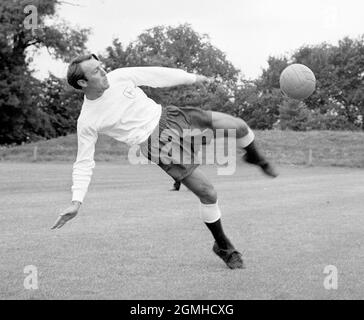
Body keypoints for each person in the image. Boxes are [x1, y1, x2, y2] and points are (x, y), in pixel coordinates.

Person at [51, 53, 278, 270]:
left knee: (237, 125)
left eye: (101, 66)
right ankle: (224, 247)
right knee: (208, 193)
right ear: (82, 83)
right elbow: (83, 162)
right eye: (96, 72)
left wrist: (191, 77)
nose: (104, 72)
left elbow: (156, 75)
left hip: (171, 116)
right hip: (158, 145)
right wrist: (76, 201)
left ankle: (254, 155)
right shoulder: (87, 119)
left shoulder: (119, 76)